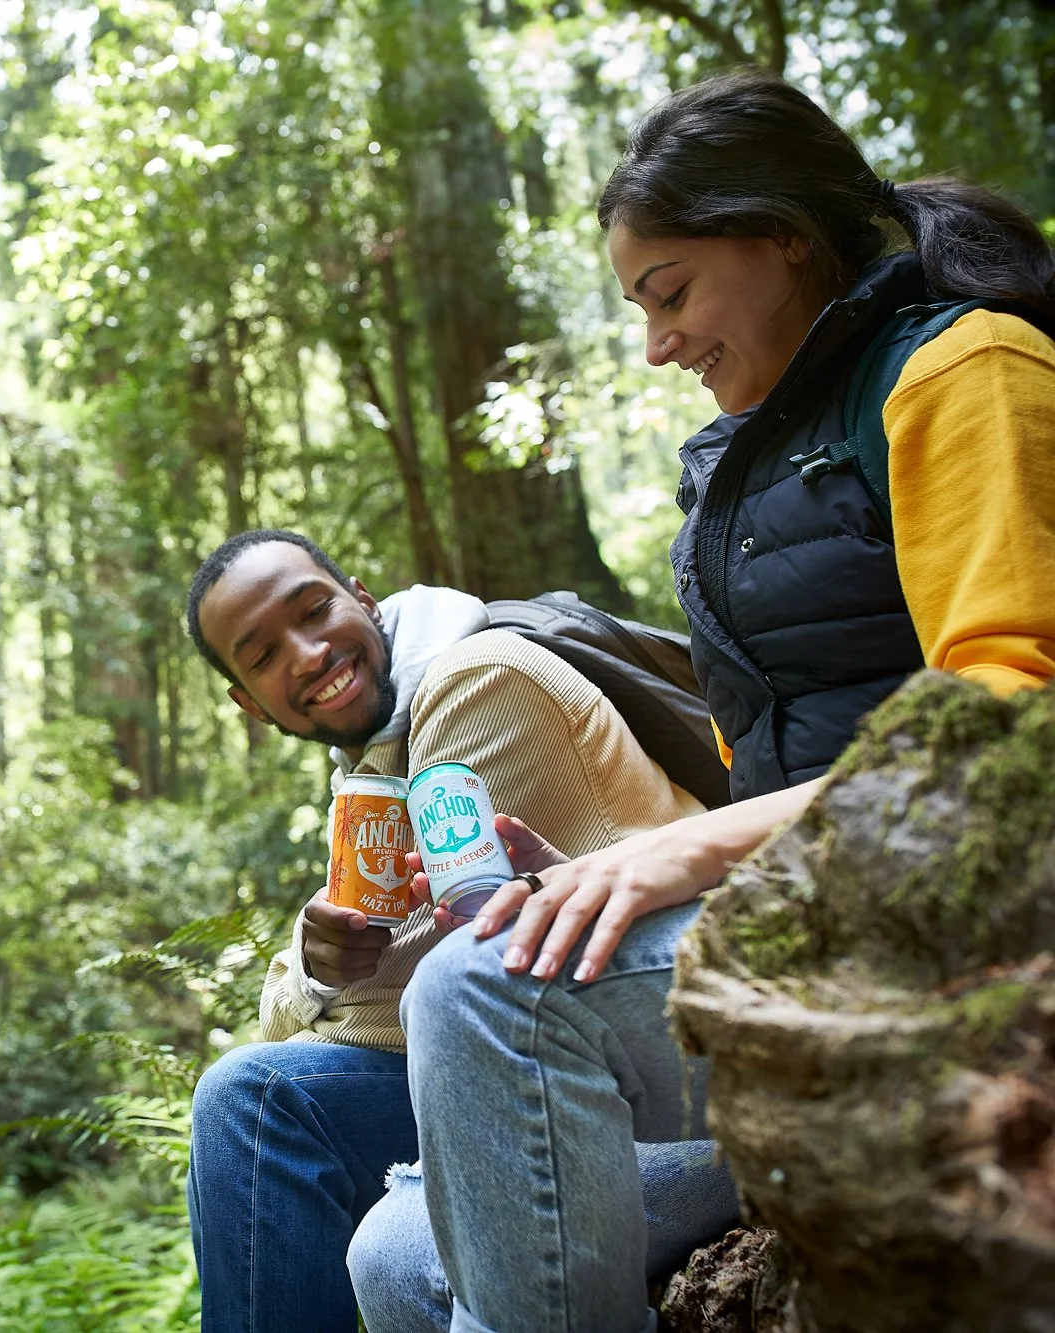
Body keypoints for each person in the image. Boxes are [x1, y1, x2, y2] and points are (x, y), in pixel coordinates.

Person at [349, 70, 1055, 1333]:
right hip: (808, 944)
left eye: (667, 294)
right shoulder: (736, 468)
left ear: (780, 238)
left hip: (967, 946)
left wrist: (687, 846)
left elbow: (1008, 730)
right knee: (394, 1252)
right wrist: (595, 864)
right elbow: (777, 789)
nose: (653, 343)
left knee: (475, 991)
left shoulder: (962, 369)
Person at [181, 529, 725, 1333]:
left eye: (315, 609)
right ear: (246, 701)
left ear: (364, 597)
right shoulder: (380, 756)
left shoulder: (479, 680)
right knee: (251, 1099)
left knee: (387, 1239)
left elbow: (423, 971)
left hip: (657, 1068)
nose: (304, 654)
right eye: (261, 655)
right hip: (530, 1065)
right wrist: (325, 969)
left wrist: (313, 975)